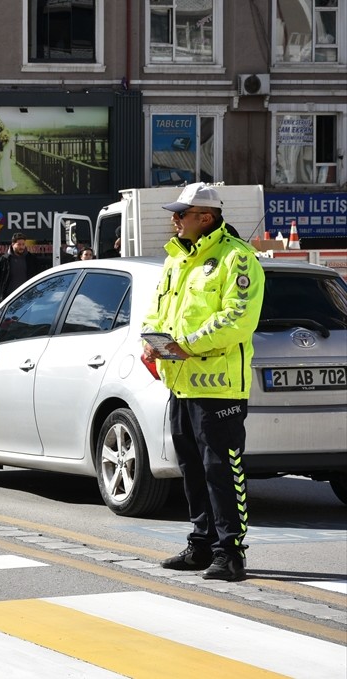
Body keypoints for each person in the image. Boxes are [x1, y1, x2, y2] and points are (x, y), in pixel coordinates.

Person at [143, 182, 264, 583]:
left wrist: (188, 345)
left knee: (222, 470)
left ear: (206, 218)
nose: (174, 219)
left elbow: (237, 319)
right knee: (191, 468)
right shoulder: (177, 260)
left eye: (182, 213)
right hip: (181, 383)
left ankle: (230, 553)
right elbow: (159, 310)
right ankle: (201, 543)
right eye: (175, 213)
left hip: (218, 386)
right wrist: (151, 341)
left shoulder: (237, 259)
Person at [0, 232, 43, 304]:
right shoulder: (4, 260)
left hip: (27, 299)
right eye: (19, 244)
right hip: (8, 300)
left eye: (23, 244)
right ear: (13, 244)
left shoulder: (31, 259)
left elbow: (38, 277)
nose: (22, 247)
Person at [0, 122, 17, 192]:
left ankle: (6, 184)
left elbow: (7, 141)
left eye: (1, 124)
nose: (0, 125)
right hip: (1, 152)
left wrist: (4, 141)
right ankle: (1, 184)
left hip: (5, 152)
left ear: (3, 125)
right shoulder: (0, 132)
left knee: (5, 167)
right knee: (0, 167)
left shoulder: (6, 132)